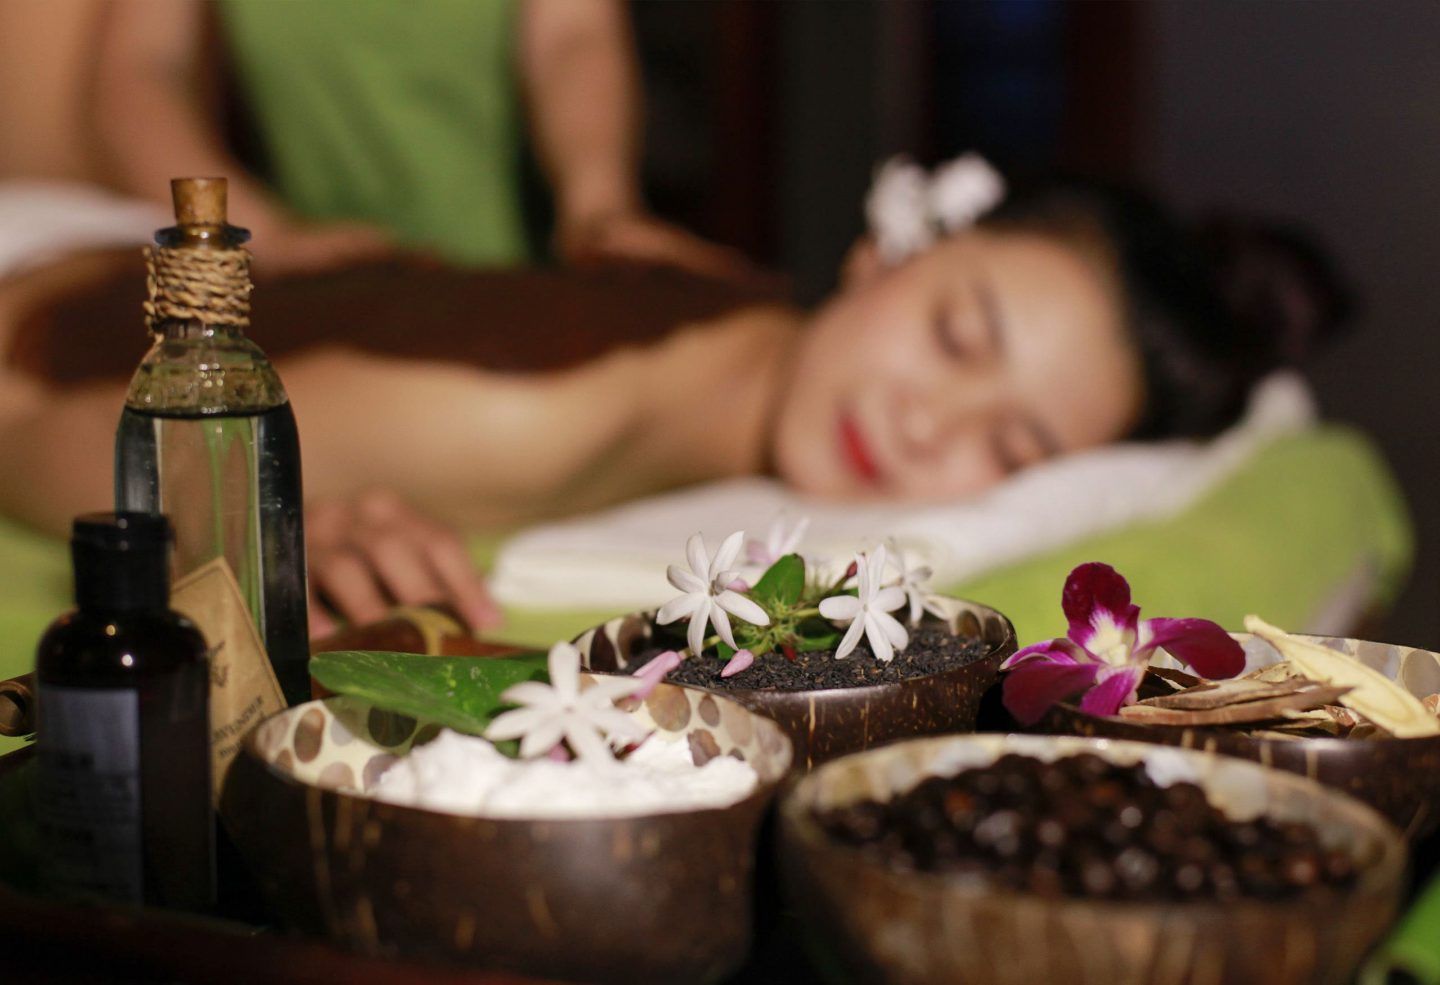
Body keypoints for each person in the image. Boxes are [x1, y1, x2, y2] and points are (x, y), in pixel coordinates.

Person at [0, 177, 1347, 635]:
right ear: (886, 248)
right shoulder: (526, 417)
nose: (934, 427)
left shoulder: (742, 308)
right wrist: (265, 528)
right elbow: (39, 435)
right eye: (955, 333)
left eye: (1017, 445)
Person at [87, 0, 752, 277]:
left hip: (515, 279)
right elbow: (138, 75)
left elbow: (572, 35)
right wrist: (260, 234)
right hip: (301, 284)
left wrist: (599, 206)